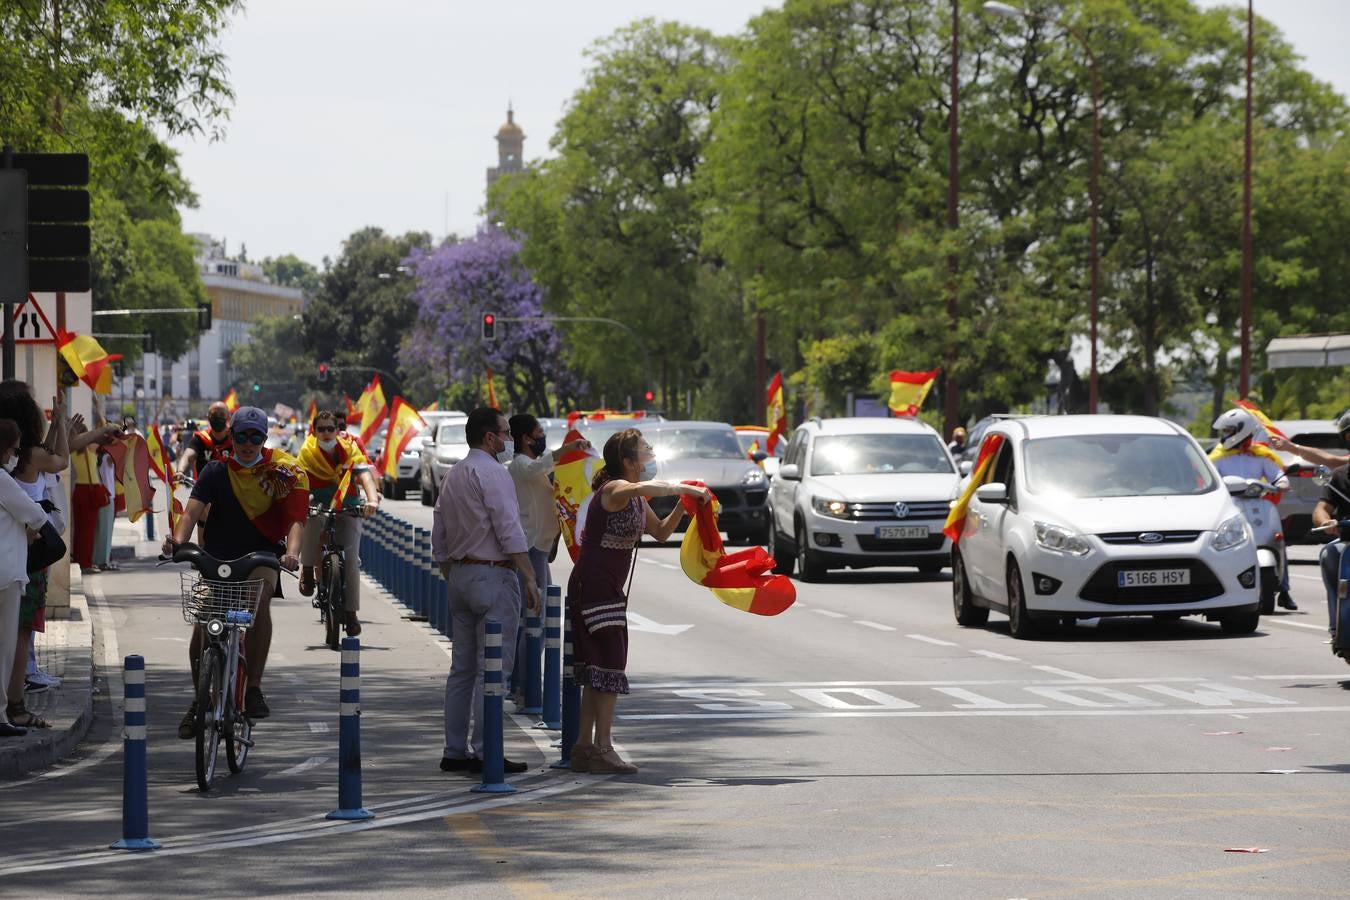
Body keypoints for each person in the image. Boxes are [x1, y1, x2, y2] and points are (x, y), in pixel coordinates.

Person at [567, 428, 710, 775]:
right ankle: (602, 748)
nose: (650, 457)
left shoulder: (636, 500)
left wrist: (682, 505)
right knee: (608, 663)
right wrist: (682, 487)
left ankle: (584, 747)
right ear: (628, 462)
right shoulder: (616, 489)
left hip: (608, 587)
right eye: (645, 451)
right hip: (594, 585)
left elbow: (660, 532)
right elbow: (640, 487)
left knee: (598, 668)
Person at [163, 406, 308, 736]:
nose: (247, 443)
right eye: (241, 436)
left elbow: (297, 519)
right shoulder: (215, 471)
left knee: (257, 604)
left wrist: (291, 553)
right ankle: (200, 701)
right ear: (232, 436)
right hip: (216, 561)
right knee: (202, 623)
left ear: (264, 438)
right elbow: (191, 512)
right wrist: (177, 541)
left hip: (262, 559)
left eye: (255, 437)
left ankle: (253, 688)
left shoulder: (281, 472)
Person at [433, 407, 541, 775]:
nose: (510, 440)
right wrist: (528, 576)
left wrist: (453, 570)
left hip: (461, 577)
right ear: (490, 438)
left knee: (462, 669)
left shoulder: (453, 475)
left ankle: (454, 750)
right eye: (506, 433)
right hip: (493, 576)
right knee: (492, 670)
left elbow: (439, 533)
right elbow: (509, 529)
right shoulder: (494, 473)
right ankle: (486, 750)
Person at [506, 414, 589, 673]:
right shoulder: (520, 465)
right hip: (530, 550)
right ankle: (521, 683)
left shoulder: (532, 467)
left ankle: (521, 682)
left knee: (537, 617)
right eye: (539, 431)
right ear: (526, 438)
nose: (542, 435)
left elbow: (546, 468)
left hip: (539, 549)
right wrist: (568, 449)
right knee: (536, 619)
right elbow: (539, 466)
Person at [296, 409, 379, 636]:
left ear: (337, 430)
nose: (325, 433)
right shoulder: (306, 452)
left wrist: (371, 500)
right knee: (311, 520)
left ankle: (351, 613)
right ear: (313, 430)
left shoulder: (350, 449)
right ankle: (307, 568)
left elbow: (365, 477)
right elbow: (298, 480)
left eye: (330, 429)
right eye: (320, 429)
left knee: (351, 560)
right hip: (318, 503)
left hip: (348, 504)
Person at [1210, 408, 1296, 610]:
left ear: (1242, 430)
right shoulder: (1217, 457)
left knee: (1277, 540)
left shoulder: (1261, 455)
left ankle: (1284, 591)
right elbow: (1209, 479)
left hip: (1259, 504)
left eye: (1229, 430)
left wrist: (1281, 483)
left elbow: (1278, 477)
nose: (1225, 435)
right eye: (1225, 431)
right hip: (1230, 506)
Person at [0, 419, 50, 737]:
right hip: (6, 575)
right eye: (15, 449)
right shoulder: (3, 480)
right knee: (4, 649)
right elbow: (36, 514)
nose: (16, 455)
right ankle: (1, 715)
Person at [176, 401, 234, 480]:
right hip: (203, 488)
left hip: (230, 488)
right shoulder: (200, 438)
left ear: (228, 417)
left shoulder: (234, 438)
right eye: (214, 414)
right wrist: (180, 471)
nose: (218, 417)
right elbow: (187, 456)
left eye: (222, 414)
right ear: (208, 417)